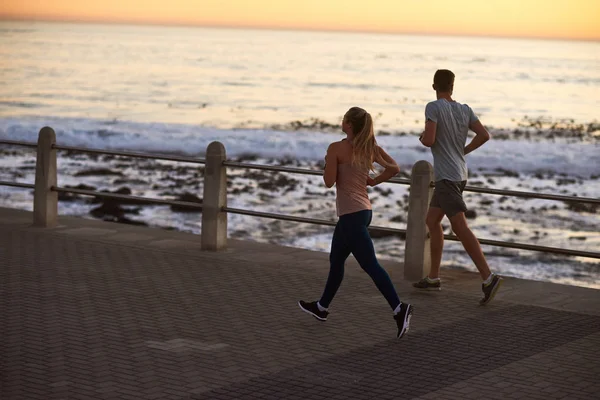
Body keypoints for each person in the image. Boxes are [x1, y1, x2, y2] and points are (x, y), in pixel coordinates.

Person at [298, 106, 413, 339]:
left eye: (344, 119)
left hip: (351, 215)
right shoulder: (370, 148)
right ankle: (321, 307)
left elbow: (329, 182)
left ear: (349, 124)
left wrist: (328, 163)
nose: (341, 121)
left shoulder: (336, 148)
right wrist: (374, 181)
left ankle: (400, 309)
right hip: (362, 211)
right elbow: (394, 168)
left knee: (370, 265)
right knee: (336, 260)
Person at [413, 69, 502, 305]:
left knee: (460, 228)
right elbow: (484, 135)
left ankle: (488, 277)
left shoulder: (433, 107)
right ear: (452, 86)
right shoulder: (465, 109)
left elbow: (430, 140)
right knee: (432, 221)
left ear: (434, 86)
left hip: (447, 178)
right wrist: (463, 151)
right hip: (459, 174)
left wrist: (423, 139)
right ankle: (433, 277)